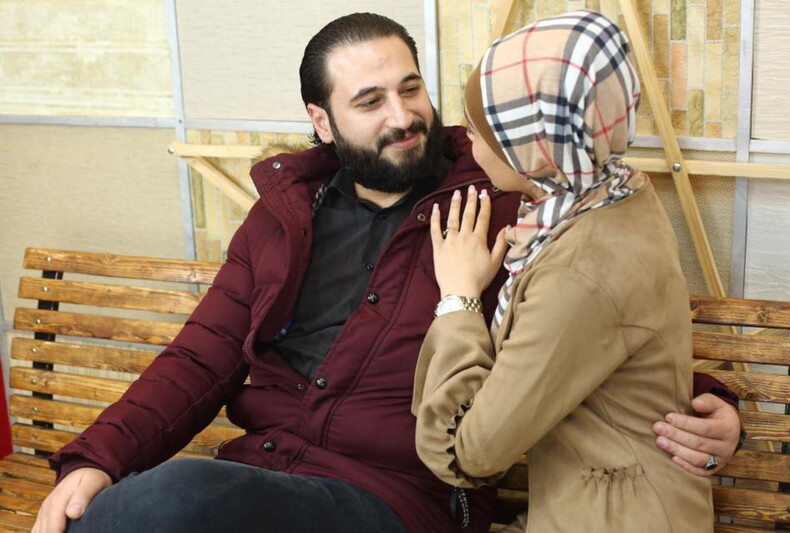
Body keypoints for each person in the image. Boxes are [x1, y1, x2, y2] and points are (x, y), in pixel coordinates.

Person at [34, 12, 739, 533]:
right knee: (151, 501)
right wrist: (97, 456)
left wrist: (712, 402)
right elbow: (200, 356)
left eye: (411, 89)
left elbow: (594, 313)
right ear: (322, 120)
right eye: (370, 102)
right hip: (259, 480)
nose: (404, 117)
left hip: (400, 497)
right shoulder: (284, 217)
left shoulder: (503, 189)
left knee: (168, 502)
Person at [413, 11, 726, 532]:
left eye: (485, 127)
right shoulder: (612, 192)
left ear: (535, 143)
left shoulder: (581, 270)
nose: (467, 140)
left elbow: (467, 453)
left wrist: (459, 299)